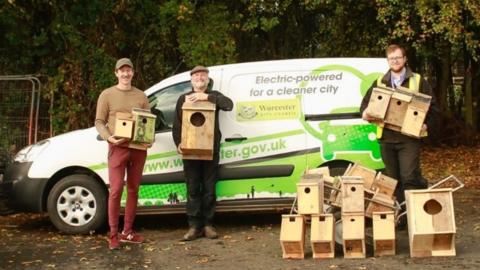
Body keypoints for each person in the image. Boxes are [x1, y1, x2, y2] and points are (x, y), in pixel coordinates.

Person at [360, 44, 437, 212]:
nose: (395, 61)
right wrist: (366, 113)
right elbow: (365, 106)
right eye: (391, 58)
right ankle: (401, 216)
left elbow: (433, 108)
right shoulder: (380, 82)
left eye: (398, 57)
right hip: (386, 139)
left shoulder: (417, 80)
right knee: (393, 180)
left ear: (405, 59)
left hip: (409, 139)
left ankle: (414, 216)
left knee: (409, 177)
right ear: (388, 61)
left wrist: (426, 124)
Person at [95, 58, 151, 250]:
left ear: (133, 73)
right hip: (117, 148)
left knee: (134, 189)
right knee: (116, 189)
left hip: (138, 149)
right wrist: (108, 138)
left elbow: (148, 122)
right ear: (116, 73)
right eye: (122, 71)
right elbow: (99, 122)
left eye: (129, 70)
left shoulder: (141, 95)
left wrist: (148, 138)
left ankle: (127, 231)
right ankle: (113, 234)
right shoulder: (107, 94)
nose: (125, 74)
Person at [172, 65, 233, 241]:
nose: (199, 77)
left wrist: (206, 97)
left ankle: (208, 225)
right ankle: (194, 226)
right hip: (190, 151)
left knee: (209, 188)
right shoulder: (183, 98)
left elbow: (228, 105)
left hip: (210, 150)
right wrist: (178, 143)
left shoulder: (215, 96)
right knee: (192, 189)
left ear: (207, 79)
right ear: (191, 79)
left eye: (203, 75)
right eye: (196, 75)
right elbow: (177, 124)